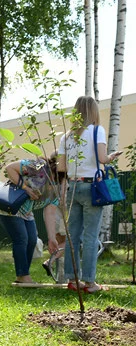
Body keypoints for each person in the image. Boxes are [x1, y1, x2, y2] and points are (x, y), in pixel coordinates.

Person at [57, 96, 120, 293]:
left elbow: (61, 167)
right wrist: (111, 157)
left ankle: (72, 280)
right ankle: (90, 282)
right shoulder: (97, 130)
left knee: (72, 237)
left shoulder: (65, 137)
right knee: (91, 237)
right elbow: (102, 158)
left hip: (73, 187)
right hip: (92, 188)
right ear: (93, 111)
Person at [0, 156, 62, 283]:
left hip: (26, 211)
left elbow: (50, 212)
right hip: (11, 204)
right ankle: (24, 275)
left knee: (32, 240)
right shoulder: (38, 166)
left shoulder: (60, 186)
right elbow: (10, 168)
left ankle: (22, 276)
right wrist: (26, 188)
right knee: (21, 238)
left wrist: (52, 238)